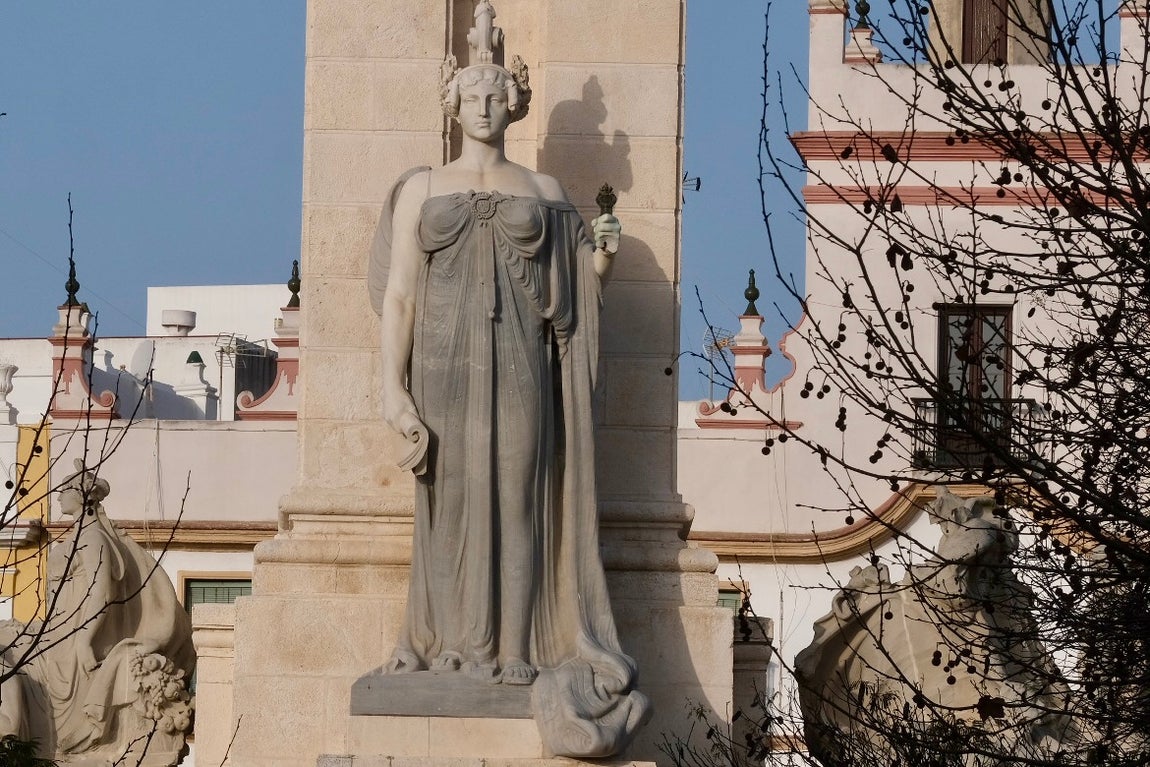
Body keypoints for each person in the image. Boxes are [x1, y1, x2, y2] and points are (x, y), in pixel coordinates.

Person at [367, 2, 648, 757]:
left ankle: (517, 643)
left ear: (513, 102)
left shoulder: (547, 191)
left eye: (497, 93)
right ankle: (454, 645)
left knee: (523, 493)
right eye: (473, 93)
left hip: (521, 364)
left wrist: (604, 260)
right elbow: (397, 295)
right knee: (451, 504)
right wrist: (392, 390)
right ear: (453, 102)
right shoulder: (422, 186)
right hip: (442, 367)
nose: (485, 104)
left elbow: (575, 293)